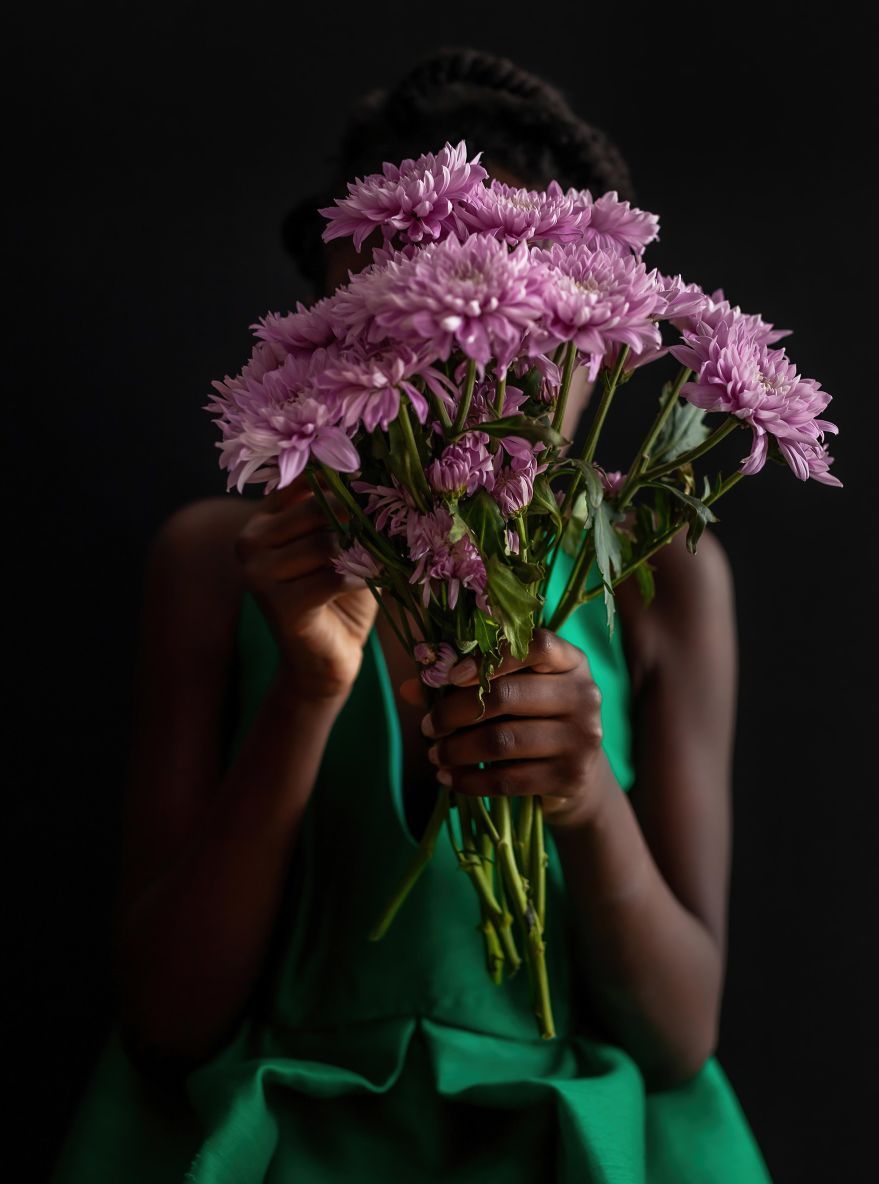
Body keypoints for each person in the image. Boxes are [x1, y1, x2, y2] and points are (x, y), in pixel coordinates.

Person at [49, 47, 774, 1184]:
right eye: (408, 332)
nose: (475, 377)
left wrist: (587, 802)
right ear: (344, 318)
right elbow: (163, 1023)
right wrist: (305, 691)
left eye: (545, 337)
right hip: (286, 1136)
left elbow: (682, 1034)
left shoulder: (663, 574)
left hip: (572, 1141)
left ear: (602, 335)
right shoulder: (221, 559)